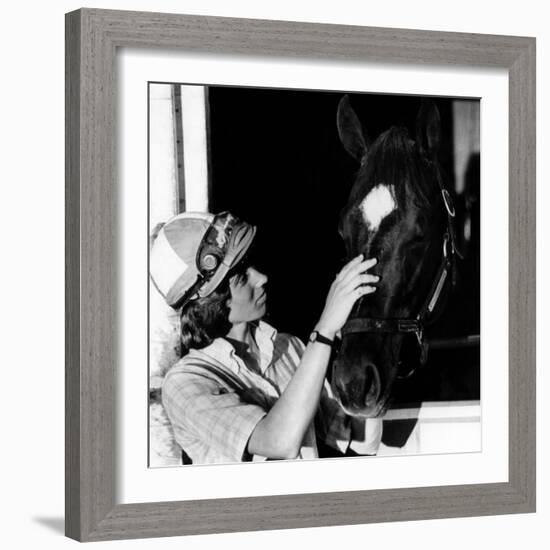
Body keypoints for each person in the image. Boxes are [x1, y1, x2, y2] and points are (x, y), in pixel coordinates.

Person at [150, 211, 383, 464]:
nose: (262, 278)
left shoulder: (289, 347)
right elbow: (278, 442)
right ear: (208, 298)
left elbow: (361, 440)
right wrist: (324, 331)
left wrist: (365, 338)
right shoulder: (185, 383)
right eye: (241, 275)